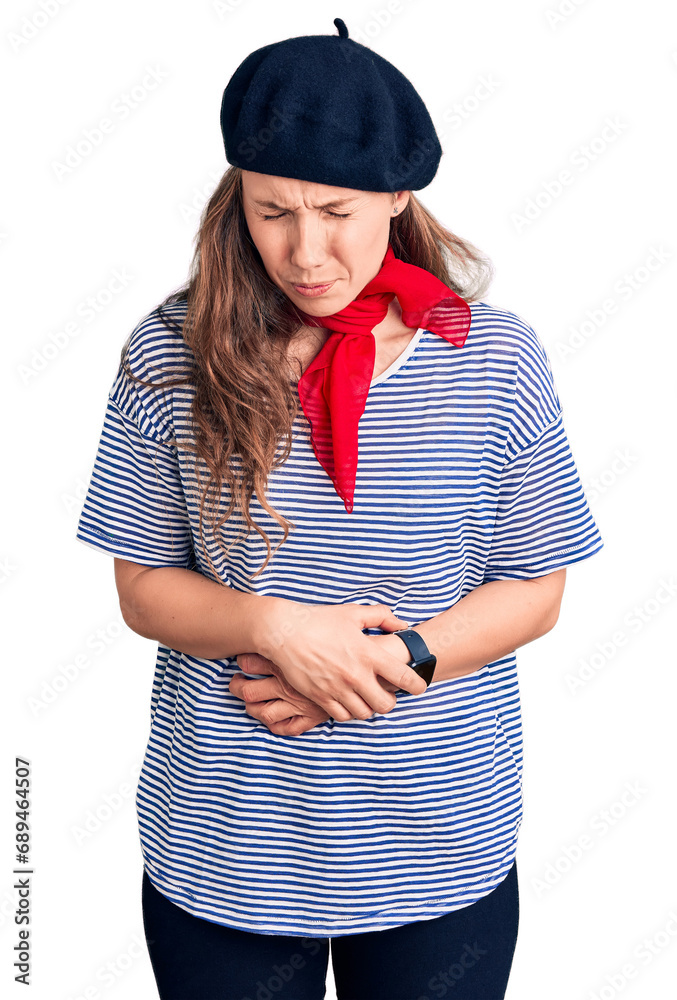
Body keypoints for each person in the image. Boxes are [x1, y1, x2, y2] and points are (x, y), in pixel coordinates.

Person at [75, 18, 603, 1000]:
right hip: (227, 846)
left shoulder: (491, 359)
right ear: (236, 198)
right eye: (272, 211)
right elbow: (143, 586)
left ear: (397, 198)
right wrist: (277, 628)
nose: (305, 251)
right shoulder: (167, 354)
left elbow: (536, 586)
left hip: (435, 845)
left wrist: (383, 664)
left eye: (336, 212)